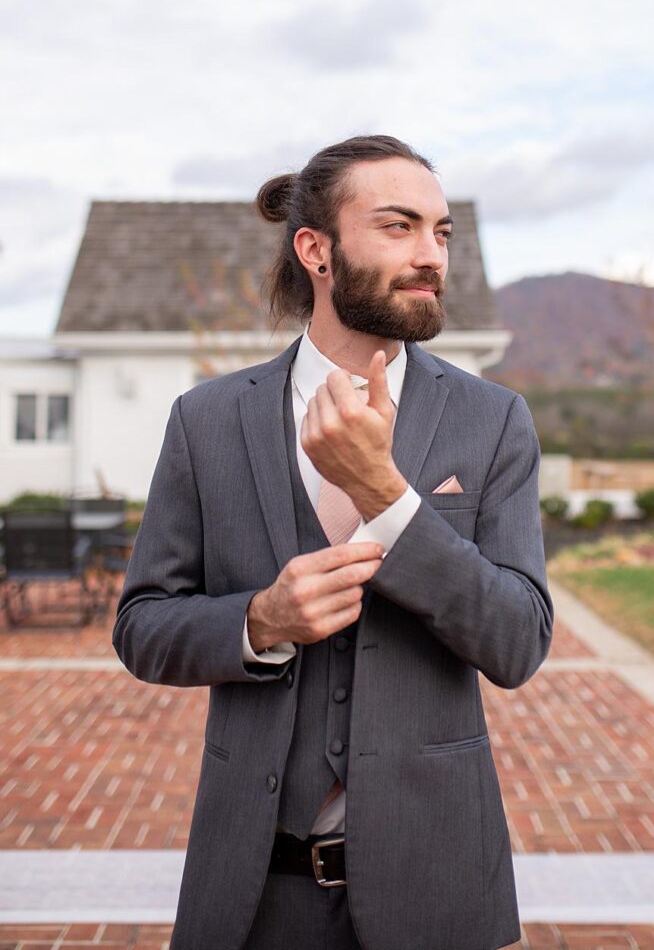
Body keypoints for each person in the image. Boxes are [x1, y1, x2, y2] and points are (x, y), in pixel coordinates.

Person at [113, 135, 553, 950]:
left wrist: (386, 498)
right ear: (315, 249)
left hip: (438, 887)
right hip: (253, 892)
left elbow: (518, 642)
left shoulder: (491, 422)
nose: (431, 256)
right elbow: (141, 627)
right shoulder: (208, 422)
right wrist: (258, 621)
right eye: (398, 227)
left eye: (441, 232)